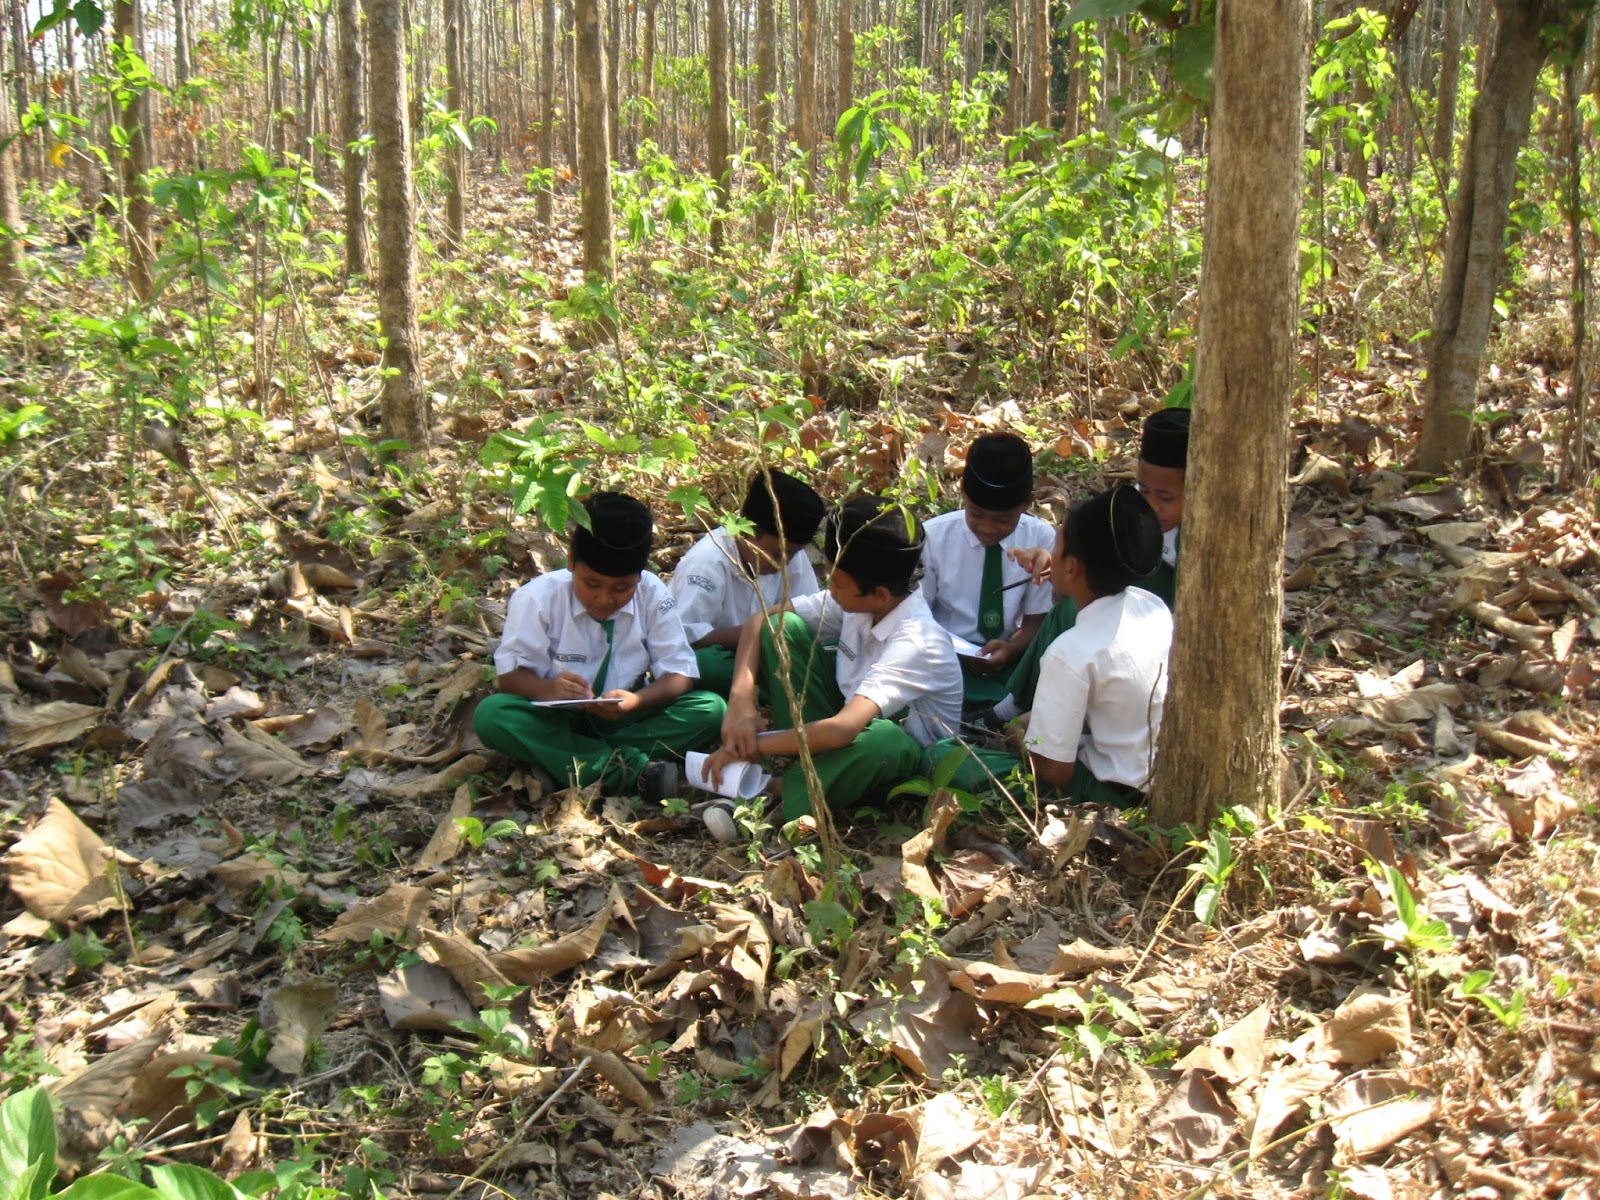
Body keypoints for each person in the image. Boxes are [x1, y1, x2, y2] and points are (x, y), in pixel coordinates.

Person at [703, 495, 963, 822]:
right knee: (783, 628)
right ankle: (804, 767)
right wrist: (741, 702)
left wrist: (751, 743)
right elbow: (761, 622)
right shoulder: (860, 600)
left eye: (837, 584)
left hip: (896, 764)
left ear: (880, 594)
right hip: (842, 729)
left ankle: (774, 790)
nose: (831, 590)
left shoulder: (918, 641)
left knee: (888, 740)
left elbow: (842, 730)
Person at [473, 492, 726, 802]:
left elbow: (679, 673)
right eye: (591, 584)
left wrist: (636, 700)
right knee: (492, 715)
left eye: (622, 588)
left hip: (627, 718)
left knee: (711, 710)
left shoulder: (652, 594)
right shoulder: (537, 599)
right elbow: (509, 679)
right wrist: (550, 689)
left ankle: (566, 760)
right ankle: (628, 769)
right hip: (557, 717)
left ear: (639, 576)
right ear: (570, 562)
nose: (605, 599)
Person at [929, 485, 1170, 808]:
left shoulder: (1070, 652)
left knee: (943, 758)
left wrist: (1019, 738)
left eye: (1056, 546)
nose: (1047, 556)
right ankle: (1008, 714)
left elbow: (1054, 771)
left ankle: (999, 724)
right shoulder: (1150, 604)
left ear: (1071, 567)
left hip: (1111, 791)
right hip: (1154, 771)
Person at [984, 406, 1190, 726]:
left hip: (1153, 645)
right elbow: (1099, 554)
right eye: (1144, 490)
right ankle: (1014, 707)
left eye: (1165, 496)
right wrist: (1059, 565)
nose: (1152, 505)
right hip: (1113, 613)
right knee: (1068, 609)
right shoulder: (1129, 512)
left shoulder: (1202, 547)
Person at [919, 432, 1056, 705]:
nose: (987, 528)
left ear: (1027, 504)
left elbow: (1035, 623)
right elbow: (917, 615)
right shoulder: (934, 537)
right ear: (963, 494)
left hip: (1008, 663)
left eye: (1003, 520)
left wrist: (1013, 648)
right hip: (943, 659)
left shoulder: (1041, 540)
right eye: (976, 514)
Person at [669, 469, 827, 696]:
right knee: (708, 665)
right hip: (725, 659)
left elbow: (810, 619)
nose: (785, 563)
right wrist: (761, 632)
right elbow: (688, 636)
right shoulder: (707, 562)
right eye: (777, 553)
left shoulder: (791, 556)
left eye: (792, 555)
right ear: (748, 532)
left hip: (769, 659)